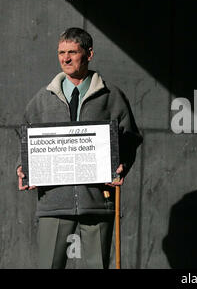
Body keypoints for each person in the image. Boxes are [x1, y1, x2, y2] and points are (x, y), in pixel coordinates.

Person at [15, 27, 143, 269]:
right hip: (54, 200)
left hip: (97, 199)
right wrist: (23, 166)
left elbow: (130, 136)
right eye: (61, 52)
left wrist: (121, 164)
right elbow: (26, 136)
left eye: (73, 51)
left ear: (89, 54)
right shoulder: (43, 98)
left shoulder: (110, 95)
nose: (66, 58)